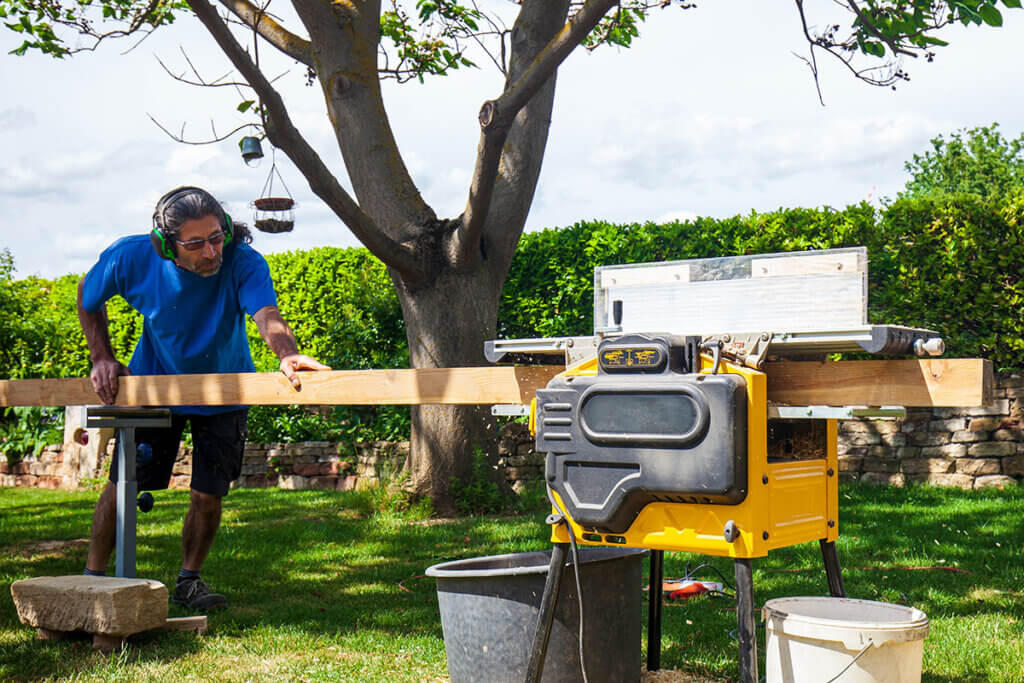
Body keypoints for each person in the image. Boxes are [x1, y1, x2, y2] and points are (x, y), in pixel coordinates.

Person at [77, 185, 329, 612]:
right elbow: (87, 294)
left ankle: (189, 580)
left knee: (209, 493)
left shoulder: (242, 261)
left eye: (217, 237)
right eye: (195, 244)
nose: (211, 252)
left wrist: (288, 354)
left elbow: (266, 314)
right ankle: (91, 579)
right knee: (123, 483)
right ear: (165, 245)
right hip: (154, 384)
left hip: (225, 387)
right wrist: (102, 356)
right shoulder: (131, 257)